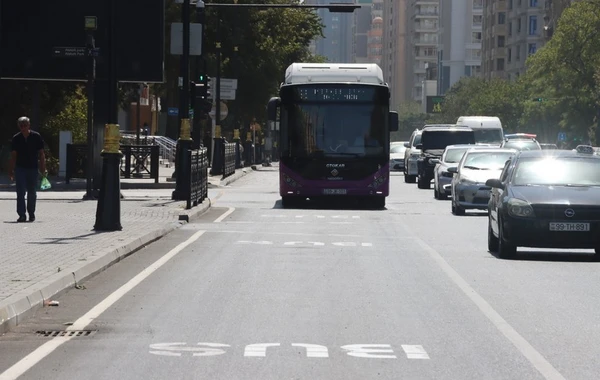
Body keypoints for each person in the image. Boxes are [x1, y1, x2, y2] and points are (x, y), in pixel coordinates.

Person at [8, 116, 46, 222]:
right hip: (20, 168)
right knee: (20, 192)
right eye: (21, 126)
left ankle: (31, 213)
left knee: (32, 192)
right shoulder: (16, 138)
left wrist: (43, 168)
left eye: (25, 125)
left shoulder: (36, 136)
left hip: (33, 168)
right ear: (18, 126)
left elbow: (42, 154)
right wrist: (10, 170)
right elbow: (13, 155)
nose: (23, 127)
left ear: (29, 125)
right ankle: (21, 214)